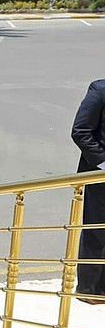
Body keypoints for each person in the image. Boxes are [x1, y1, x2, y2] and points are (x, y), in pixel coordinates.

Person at [71, 80, 105, 305]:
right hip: (100, 175)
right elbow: (80, 131)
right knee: (97, 231)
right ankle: (89, 289)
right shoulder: (100, 90)